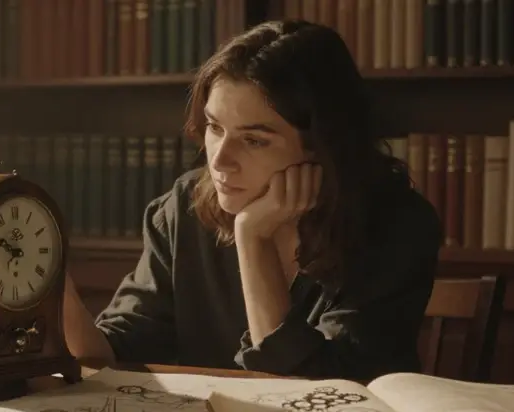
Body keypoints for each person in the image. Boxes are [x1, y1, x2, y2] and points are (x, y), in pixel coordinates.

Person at [62, 19, 442, 381]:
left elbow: (321, 395)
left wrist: (253, 239)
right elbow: (110, 355)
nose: (219, 159)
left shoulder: (397, 226)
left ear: (321, 147)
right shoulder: (184, 208)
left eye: (254, 140)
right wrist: (49, 285)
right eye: (214, 127)